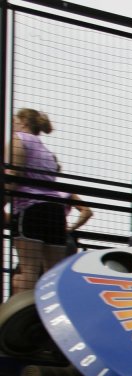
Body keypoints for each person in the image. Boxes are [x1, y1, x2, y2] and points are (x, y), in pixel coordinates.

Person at [7, 108, 67, 293]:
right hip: (56, 211)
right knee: (54, 273)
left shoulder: (19, 139)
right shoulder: (47, 152)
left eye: (15, 120)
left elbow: (13, 176)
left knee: (29, 270)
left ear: (23, 122)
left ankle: (25, 317)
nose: (12, 125)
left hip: (31, 208)